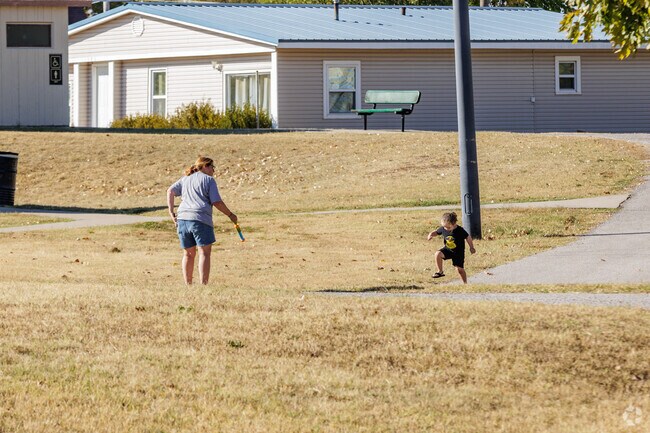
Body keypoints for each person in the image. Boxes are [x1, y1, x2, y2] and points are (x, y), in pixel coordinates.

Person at [167, 156, 237, 285]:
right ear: (205, 166)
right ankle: (203, 285)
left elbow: (170, 191)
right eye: (212, 167)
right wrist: (230, 215)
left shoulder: (185, 179)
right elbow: (216, 202)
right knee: (204, 252)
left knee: (188, 253)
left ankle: (188, 285)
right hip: (200, 219)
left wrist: (171, 212)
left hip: (183, 219)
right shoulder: (209, 180)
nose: (213, 170)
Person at [427, 211, 476, 284]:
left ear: (454, 224)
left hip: (458, 252)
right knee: (437, 254)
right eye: (444, 227)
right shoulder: (443, 228)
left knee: (459, 269)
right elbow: (436, 232)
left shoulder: (460, 230)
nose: (446, 229)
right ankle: (440, 271)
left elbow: (468, 237)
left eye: (448, 227)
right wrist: (431, 235)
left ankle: (465, 283)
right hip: (448, 250)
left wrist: (471, 247)